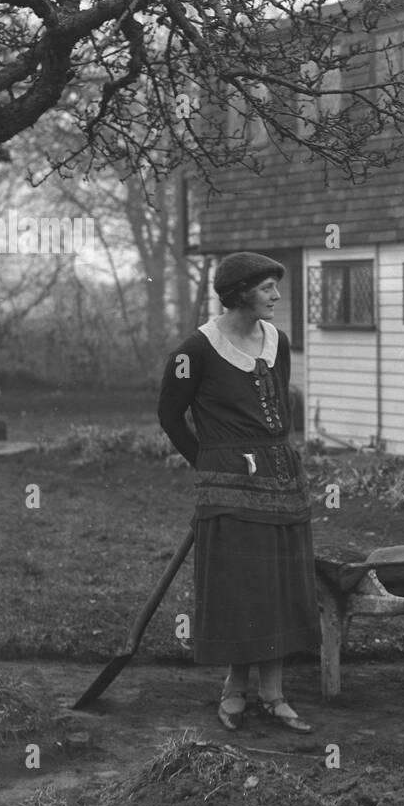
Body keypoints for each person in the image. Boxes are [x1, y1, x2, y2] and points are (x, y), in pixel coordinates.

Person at [158, 252, 318, 732]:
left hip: (280, 476)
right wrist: (209, 464)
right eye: (268, 287)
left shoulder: (278, 342)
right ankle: (234, 690)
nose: (276, 296)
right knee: (239, 587)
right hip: (227, 481)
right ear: (241, 292)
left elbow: (278, 412)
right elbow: (170, 415)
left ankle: (273, 693)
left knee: (278, 585)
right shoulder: (195, 351)